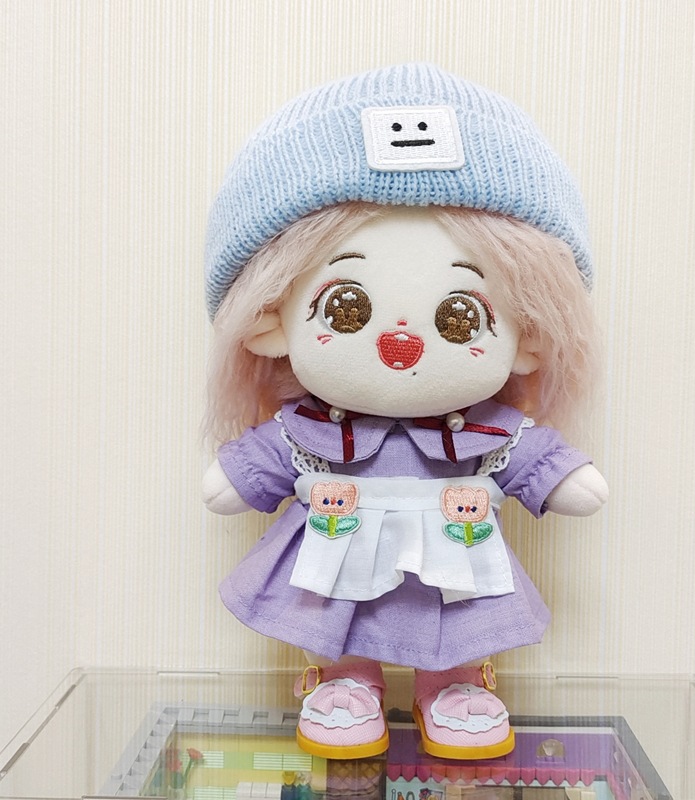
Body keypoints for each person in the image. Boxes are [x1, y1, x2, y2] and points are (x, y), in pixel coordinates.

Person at [202, 63, 608, 761]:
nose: (402, 343)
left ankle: (450, 681)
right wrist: (236, 476)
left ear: (529, 338)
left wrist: (566, 477)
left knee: (457, 612)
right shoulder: (310, 434)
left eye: (460, 316)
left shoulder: (487, 433)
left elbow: (541, 463)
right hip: (339, 547)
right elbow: (247, 471)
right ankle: (345, 677)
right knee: (337, 609)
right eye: (346, 308)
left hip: (453, 558)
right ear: (269, 320)